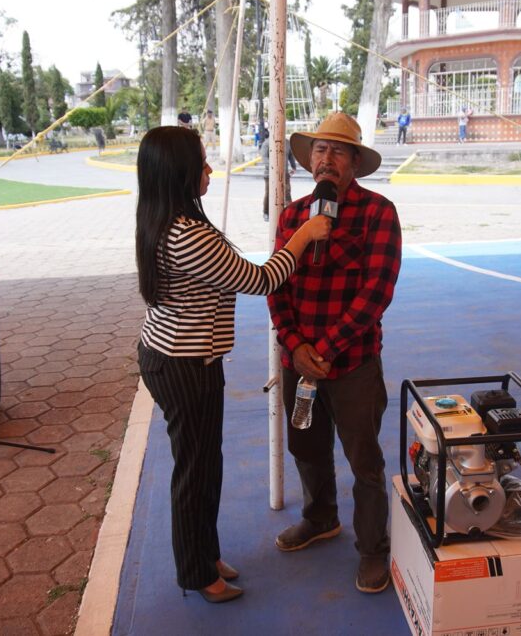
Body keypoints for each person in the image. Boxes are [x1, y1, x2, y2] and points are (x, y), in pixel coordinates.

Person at [135, 126, 331, 604]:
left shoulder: (166, 218)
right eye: (200, 163)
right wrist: (304, 234)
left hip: (181, 357)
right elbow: (261, 279)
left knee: (205, 464)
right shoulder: (184, 235)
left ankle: (205, 554)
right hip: (184, 364)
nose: (208, 170)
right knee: (195, 472)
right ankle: (197, 573)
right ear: (177, 172)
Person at [267, 112, 402, 594]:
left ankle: (373, 549)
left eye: (338, 152)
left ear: (355, 163)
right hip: (299, 363)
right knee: (305, 447)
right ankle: (320, 518)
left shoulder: (378, 213)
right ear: (310, 161)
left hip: (352, 365)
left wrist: (323, 349)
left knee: (364, 460)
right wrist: (295, 344)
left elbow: (376, 293)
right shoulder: (292, 216)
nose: (327, 159)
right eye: (320, 150)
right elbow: (276, 284)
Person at [260, 127, 297, 221]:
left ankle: (290, 213)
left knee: (287, 193)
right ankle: (266, 212)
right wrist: (274, 167)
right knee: (269, 193)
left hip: (285, 173)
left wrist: (293, 167)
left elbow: (291, 156)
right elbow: (264, 158)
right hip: (270, 174)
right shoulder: (267, 143)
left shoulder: (287, 142)